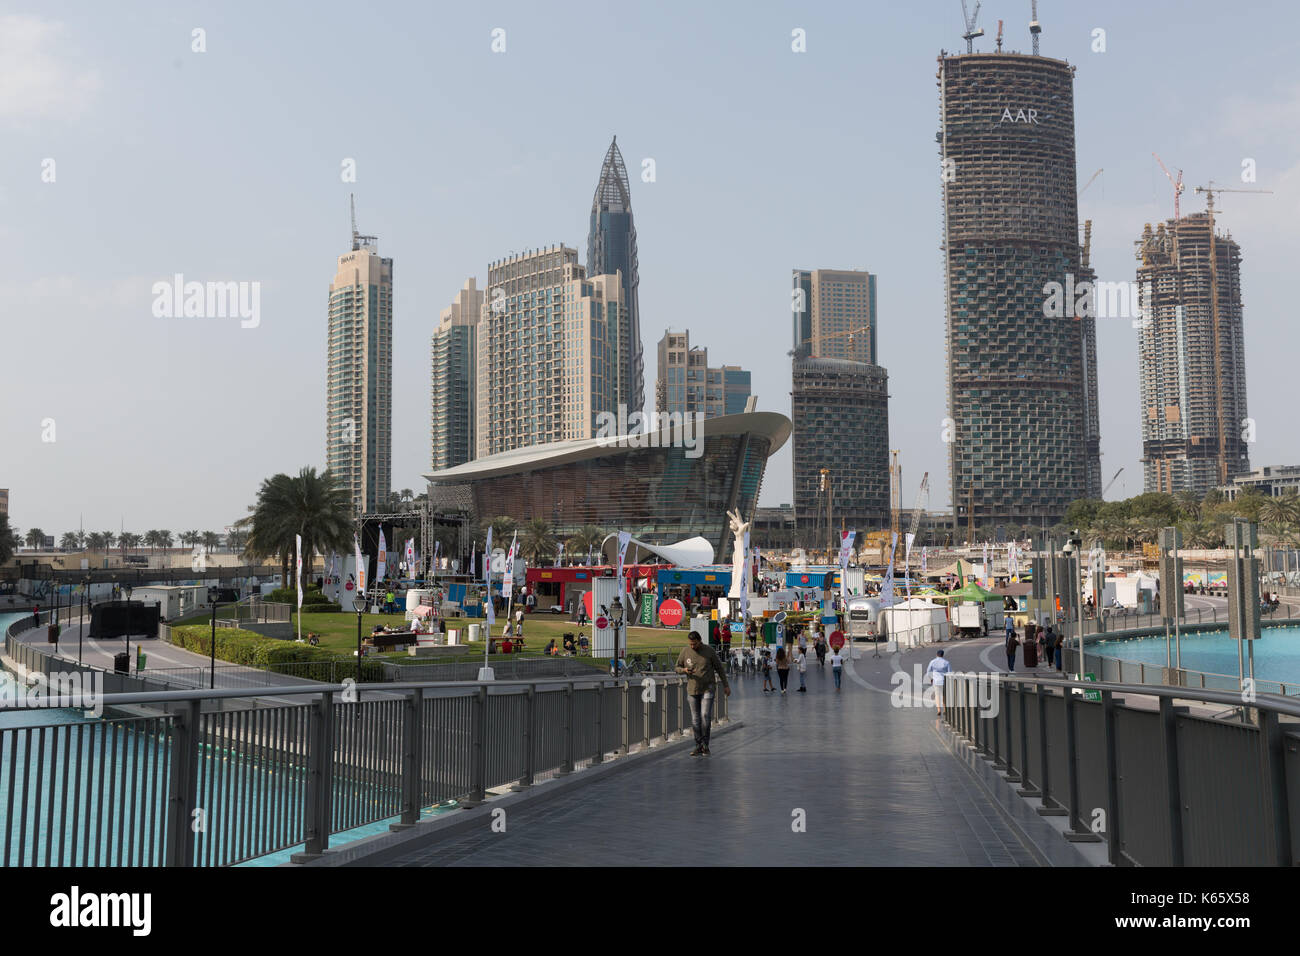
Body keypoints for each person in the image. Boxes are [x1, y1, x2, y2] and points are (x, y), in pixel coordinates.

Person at [675, 630, 731, 756]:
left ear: (700, 641)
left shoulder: (709, 651)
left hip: (708, 688)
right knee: (695, 719)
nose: (692, 646)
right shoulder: (685, 651)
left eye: (694, 644)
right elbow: (676, 667)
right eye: (690, 644)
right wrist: (684, 670)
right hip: (692, 689)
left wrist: (726, 685)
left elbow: (719, 668)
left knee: (705, 716)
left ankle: (706, 744)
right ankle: (698, 745)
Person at [925, 649, 952, 714]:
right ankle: (945, 709)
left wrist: (931, 678)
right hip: (944, 681)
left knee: (937, 695)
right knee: (944, 695)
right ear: (943, 655)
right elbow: (950, 673)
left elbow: (928, 672)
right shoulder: (946, 662)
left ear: (936, 655)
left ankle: (939, 710)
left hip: (936, 681)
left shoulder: (932, 662)